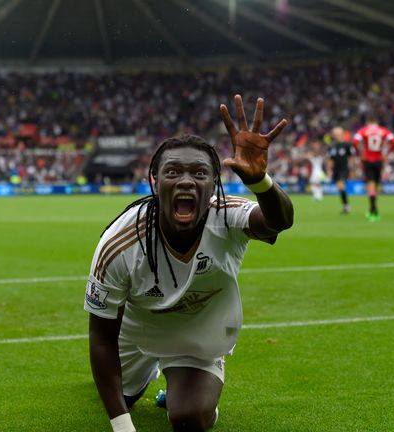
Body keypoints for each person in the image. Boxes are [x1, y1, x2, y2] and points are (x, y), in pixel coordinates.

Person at [85, 95, 294, 432]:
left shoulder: (226, 215)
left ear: (214, 184)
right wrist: (122, 427)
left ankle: (189, 386)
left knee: (189, 418)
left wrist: (260, 182)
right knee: (121, 399)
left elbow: (278, 221)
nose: (185, 180)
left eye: (199, 173)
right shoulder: (118, 242)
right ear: (155, 181)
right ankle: (151, 375)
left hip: (200, 329)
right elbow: (101, 338)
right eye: (173, 172)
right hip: (139, 325)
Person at [352, 116, 394, 221]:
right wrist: (387, 153)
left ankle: (373, 210)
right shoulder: (383, 131)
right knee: (376, 184)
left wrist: (360, 153)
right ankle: (373, 209)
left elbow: (354, 141)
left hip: (367, 159)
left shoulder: (364, 130)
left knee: (370, 184)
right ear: (377, 122)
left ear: (368, 123)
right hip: (379, 160)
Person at [327, 127, 357, 214]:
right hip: (336, 170)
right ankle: (345, 205)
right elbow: (330, 159)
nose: (335, 135)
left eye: (337, 133)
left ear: (341, 134)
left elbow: (352, 158)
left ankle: (347, 206)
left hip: (344, 169)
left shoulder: (347, 145)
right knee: (340, 188)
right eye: (334, 134)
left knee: (341, 186)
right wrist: (329, 170)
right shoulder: (332, 146)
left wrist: (352, 170)